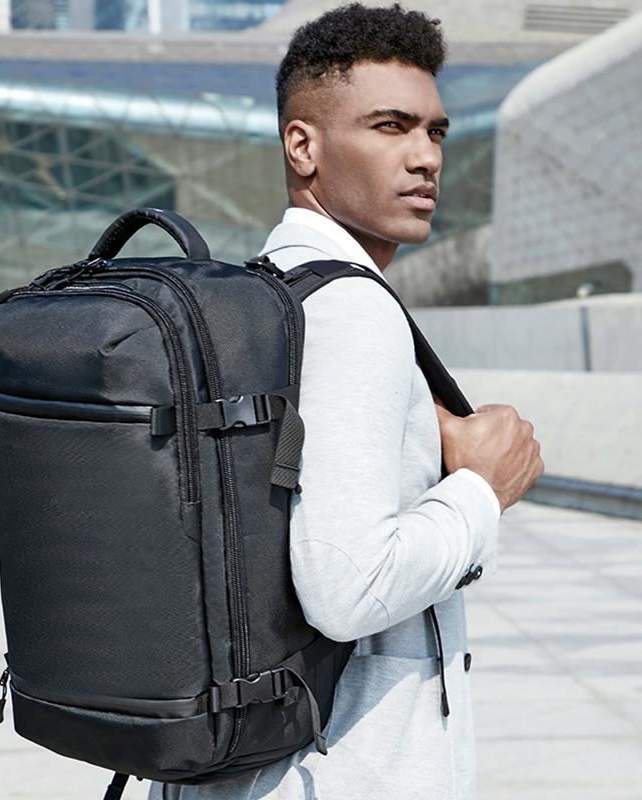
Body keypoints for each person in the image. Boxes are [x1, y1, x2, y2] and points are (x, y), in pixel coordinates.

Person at [150, 3, 543, 799]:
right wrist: (482, 490)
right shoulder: (352, 310)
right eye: (390, 126)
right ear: (303, 145)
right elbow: (350, 585)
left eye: (435, 132)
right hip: (346, 772)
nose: (425, 157)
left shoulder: (261, 294)